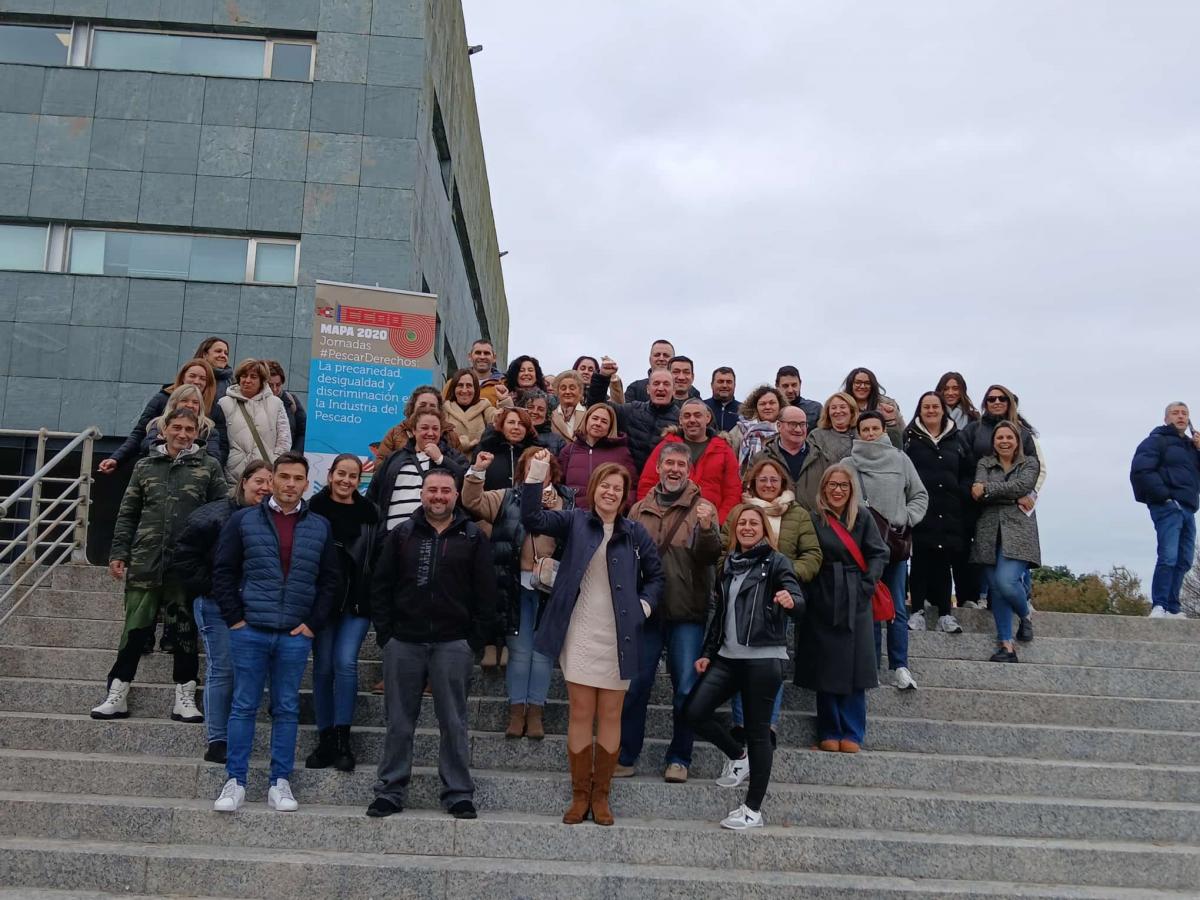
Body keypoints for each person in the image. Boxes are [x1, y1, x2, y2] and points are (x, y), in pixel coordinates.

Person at [521, 450, 663, 826]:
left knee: (611, 714)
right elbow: (532, 517)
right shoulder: (574, 521)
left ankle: (602, 797)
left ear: (625, 495)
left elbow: (656, 577)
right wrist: (537, 470)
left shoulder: (635, 533)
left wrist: (644, 608)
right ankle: (579, 795)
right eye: (605, 485)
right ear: (594, 488)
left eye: (618, 488)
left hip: (621, 634)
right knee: (581, 713)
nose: (611, 493)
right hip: (580, 629)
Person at [210, 452, 340, 814]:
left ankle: (279, 782)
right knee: (243, 706)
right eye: (283, 477)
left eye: (298, 479)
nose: (290, 485)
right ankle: (235, 781)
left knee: (286, 708)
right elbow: (223, 571)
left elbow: (330, 580)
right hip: (250, 630)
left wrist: (312, 623)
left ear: (306, 482)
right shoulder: (243, 520)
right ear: (272, 480)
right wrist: (235, 618)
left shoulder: (320, 525)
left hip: (294, 635)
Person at [366, 468, 498, 819]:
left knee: (453, 721)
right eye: (432, 490)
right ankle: (390, 790)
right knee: (398, 720)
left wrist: (474, 640)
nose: (438, 496)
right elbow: (380, 587)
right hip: (404, 642)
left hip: (453, 643)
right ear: (422, 494)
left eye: (445, 491)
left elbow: (487, 593)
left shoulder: (472, 537)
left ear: (456, 495)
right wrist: (386, 634)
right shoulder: (401, 534)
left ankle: (457, 792)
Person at [91, 408, 229, 723]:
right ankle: (117, 691)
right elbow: (128, 513)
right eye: (176, 428)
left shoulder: (209, 467)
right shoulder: (144, 466)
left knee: (183, 632)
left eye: (189, 430)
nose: (182, 434)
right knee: (134, 631)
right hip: (146, 561)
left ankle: (185, 694)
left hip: (185, 566)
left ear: (198, 434)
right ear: (164, 429)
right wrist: (119, 552)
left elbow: (222, 514)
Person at [685, 504, 804, 830]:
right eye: (742, 523)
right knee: (693, 712)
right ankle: (738, 757)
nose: (748, 528)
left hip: (763, 659)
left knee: (759, 732)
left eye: (754, 523)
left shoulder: (777, 562)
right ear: (735, 529)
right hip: (727, 657)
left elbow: (796, 595)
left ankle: (753, 810)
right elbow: (721, 615)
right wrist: (709, 651)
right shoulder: (728, 566)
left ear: (765, 530)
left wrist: (791, 600)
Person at [619, 444, 722, 783]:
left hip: (686, 612)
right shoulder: (639, 509)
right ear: (659, 468)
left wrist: (707, 529)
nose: (674, 469)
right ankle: (627, 754)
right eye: (669, 463)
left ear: (689, 470)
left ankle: (680, 757)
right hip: (646, 612)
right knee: (636, 687)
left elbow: (711, 558)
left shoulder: (703, 508)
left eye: (681, 464)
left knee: (685, 690)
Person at [463, 446, 574, 740]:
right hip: (514, 586)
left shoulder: (567, 500)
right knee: (520, 653)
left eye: (545, 465)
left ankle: (536, 712)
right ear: (523, 471)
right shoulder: (506, 497)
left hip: (550, 590)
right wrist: (478, 471)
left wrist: (556, 510)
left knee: (543, 655)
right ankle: (516, 711)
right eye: (532, 465)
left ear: (553, 471)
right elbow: (472, 501)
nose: (538, 470)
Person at [172, 459, 273, 764]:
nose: (265, 488)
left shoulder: (273, 519)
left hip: (255, 607)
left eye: (270, 482)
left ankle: (238, 733)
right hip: (216, 605)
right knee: (223, 669)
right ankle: (217, 739)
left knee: (248, 672)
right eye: (259, 481)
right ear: (244, 481)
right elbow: (184, 557)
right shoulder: (212, 515)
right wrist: (215, 587)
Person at [724, 458, 823, 746]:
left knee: (772, 663)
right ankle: (741, 723)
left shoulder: (799, 515)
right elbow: (723, 548)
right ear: (752, 483)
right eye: (762, 480)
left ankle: (768, 724)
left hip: (780, 597)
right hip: (741, 596)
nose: (768, 485)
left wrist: (786, 577)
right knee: (738, 660)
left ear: (783, 483)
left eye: (773, 480)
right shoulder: (739, 512)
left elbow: (813, 554)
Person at [795, 465, 888, 754]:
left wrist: (866, 585)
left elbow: (878, 552)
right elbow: (806, 553)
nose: (837, 490)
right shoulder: (813, 519)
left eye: (843, 486)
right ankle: (829, 729)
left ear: (851, 490)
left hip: (855, 595)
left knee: (855, 667)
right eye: (832, 485)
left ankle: (852, 730)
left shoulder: (862, 517)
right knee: (825, 667)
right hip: (822, 595)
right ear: (823, 488)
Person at [304, 455, 380, 772]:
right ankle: (325, 738)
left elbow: (374, 559)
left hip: (357, 603)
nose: (346, 481)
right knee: (322, 667)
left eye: (353, 475)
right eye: (341, 474)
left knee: (345, 662)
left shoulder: (369, 514)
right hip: (322, 603)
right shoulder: (312, 510)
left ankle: (343, 739)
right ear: (330, 474)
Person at [843, 411, 928, 690]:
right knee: (868, 607)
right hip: (861, 548)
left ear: (884, 430)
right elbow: (838, 499)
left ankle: (900, 666)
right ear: (858, 433)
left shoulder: (901, 460)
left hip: (894, 546)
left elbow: (919, 494)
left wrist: (907, 517)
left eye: (874, 428)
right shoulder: (848, 463)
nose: (869, 433)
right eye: (864, 429)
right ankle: (872, 666)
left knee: (896, 609)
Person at [903, 392, 974, 634]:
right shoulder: (909, 438)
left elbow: (967, 471)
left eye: (935, 406)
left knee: (944, 562)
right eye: (926, 407)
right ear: (919, 410)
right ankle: (917, 612)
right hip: (920, 509)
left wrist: (961, 492)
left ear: (943, 409)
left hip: (950, 509)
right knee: (920, 560)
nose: (931, 410)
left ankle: (946, 613)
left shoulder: (958, 438)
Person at [971, 423, 1041, 662]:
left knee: (1006, 581)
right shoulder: (984, 463)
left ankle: (1025, 614)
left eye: (1009, 437)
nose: (1004, 441)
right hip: (989, 530)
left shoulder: (1029, 463)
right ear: (993, 441)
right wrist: (1011, 496)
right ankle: (1007, 645)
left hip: (1019, 530)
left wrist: (989, 489)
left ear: (1017, 440)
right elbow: (976, 494)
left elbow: (1023, 486)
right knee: (997, 590)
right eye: (999, 437)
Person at [1131, 402, 1200, 619]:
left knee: (1185, 560)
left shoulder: (1191, 447)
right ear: (1166, 418)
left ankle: (1173, 606)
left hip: (1189, 508)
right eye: (1175, 413)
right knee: (1168, 556)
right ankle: (1159, 605)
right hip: (1168, 507)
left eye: (1184, 413)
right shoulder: (1156, 441)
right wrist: (1166, 498)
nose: (1180, 416)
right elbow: (1141, 470)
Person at [98, 359, 228, 473]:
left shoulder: (212, 416)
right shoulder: (161, 405)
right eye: (192, 376)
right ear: (183, 377)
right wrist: (117, 458)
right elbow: (140, 435)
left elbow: (219, 449)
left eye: (203, 378)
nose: (196, 381)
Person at [636, 398, 742, 521]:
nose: (692, 420)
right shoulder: (666, 446)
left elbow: (733, 491)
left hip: (708, 524)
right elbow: (647, 483)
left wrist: (719, 522)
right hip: (667, 521)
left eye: (697, 415)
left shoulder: (724, 449)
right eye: (687, 416)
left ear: (707, 418)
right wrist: (649, 516)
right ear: (680, 420)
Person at [366, 410, 467, 533]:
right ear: (413, 430)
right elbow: (373, 494)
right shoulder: (394, 458)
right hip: (390, 538)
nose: (430, 433)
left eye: (435, 429)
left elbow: (466, 482)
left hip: (432, 539)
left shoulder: (452, 456)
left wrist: (440, 459)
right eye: (424, 428)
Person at [585, 359, 681, 472]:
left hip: (662, 485)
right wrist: (602, 377)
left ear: (674, 390)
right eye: (656, 383)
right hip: (627, 482)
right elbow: (597, 406)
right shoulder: (632, 410)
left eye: (666, 384)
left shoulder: (682, 420)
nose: (660, 388)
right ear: (648, 389)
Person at [218, 358, 291, 482]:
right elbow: (220, 440)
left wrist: (274, 462)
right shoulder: (224, 403)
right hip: (232, 476)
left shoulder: (276, 403)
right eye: (244, 376)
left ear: (262, 381)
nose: (247, 380)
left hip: (266, 474)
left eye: (253, 377)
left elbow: (284, 439)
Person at [557, 402, 637, 509]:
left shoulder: (621, 453)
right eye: (595, 418)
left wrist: (620, 509)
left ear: (610, 427)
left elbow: (631, 488)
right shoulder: (569, 450)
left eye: (604, 421)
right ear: (586, 420)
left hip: (607, 516)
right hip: (574, 516)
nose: (598, 423)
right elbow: (558, 483)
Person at [750, 405, 828, 512]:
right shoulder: (760, 458)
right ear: (779, 426)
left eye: (802, 424)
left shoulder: (822, 458)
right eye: (793, 424)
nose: (798, 429)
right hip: (774, 523)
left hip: (814, 525)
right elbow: (749, 492)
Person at [140, 384, 223, 465]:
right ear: (174, 403)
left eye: (195, 402)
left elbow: (214, 456)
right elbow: (147, 446)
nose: (190, 405)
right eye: (184, 400)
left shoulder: (207, 429)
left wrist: (188, 444)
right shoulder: (158, 424)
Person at [377, 385, 464, 462]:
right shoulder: (395, 434)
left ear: (439, 410)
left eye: (432, 406)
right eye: (422, 405)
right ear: (412, 407)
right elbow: (380, 467)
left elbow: (460, 468)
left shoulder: (450, 436)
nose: (427, 409)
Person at [474, 407, 542, 492]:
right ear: (501, 426)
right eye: (511, 422)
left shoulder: (537, 454)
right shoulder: (485, 449)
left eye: (521, 424)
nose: (516, 427)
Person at [724, 385, 786, 473]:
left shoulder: (787, 429)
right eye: (762, 404)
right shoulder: (742, 429)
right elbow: (727, 459)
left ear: (780, 405)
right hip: (745, 481)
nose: (767, 407)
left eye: (772, 403)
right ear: (755, 407)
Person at [442, 368, 500, 454]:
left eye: (469, 386)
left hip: (479, 464)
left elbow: (499, 418)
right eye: (460, 385)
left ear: (475, 389)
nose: (464, 390)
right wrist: (465, 444)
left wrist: (504, 400)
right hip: (451, 464)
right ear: (454, 388)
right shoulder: (444, 409)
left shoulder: (485, 407)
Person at [843, 367, 905, 447]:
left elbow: (902, 433)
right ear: (850, 384)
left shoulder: (887, 406)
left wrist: (890, 421)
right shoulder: (841, 407)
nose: (862, 386)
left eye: (867, 383)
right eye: (858, 382)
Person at [624, 339, 697, 402]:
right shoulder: (635, 388)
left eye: (666, 355)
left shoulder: (692, 391)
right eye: (657, 355)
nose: (661, 359)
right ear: (650, 359)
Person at [266, 360, 307, 453]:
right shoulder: (256, 401)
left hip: (285, 459)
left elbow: (302, 432)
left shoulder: (291, 400)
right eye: (270, 385)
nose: (275, 389)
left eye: (278, 385)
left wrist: (294, 454)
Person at [809, 392, 859, 462]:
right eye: (833, 408)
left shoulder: (861, 432)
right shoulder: (816, 435)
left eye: (842, 407)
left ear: (851, 411)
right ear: (828, 412)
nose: (838, 411)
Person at [775, 365, 823, 432]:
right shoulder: (772, 410)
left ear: (800, 384)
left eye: (794, 385)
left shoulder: (815, 409)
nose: (790, 390)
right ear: (777, 387)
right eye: (785, 386)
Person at [521, 388, 565, 456]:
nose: (534, 412)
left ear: (547, 414)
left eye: (540, 409)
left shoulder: (557, 441)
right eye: (530, 407)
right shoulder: (516, 435)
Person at [550, 371, 587, 444]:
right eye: (563, 388)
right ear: (557, 392)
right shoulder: (550, 416)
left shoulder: (589, 414)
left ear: (580, 391)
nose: (567, 392)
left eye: (572, 388)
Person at [469, 338, 507, 406]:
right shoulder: (455, 383)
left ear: (494, 358)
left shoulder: (505, 384)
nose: (482, 357)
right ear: (470, 356)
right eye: (478, 353)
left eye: (486, 353)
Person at [705, 366, 740, 434]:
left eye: (729, 382)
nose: (724, 385)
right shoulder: (702, 407)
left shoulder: (744, 411)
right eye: (720, 382)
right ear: (712, 385)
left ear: (734, 385)